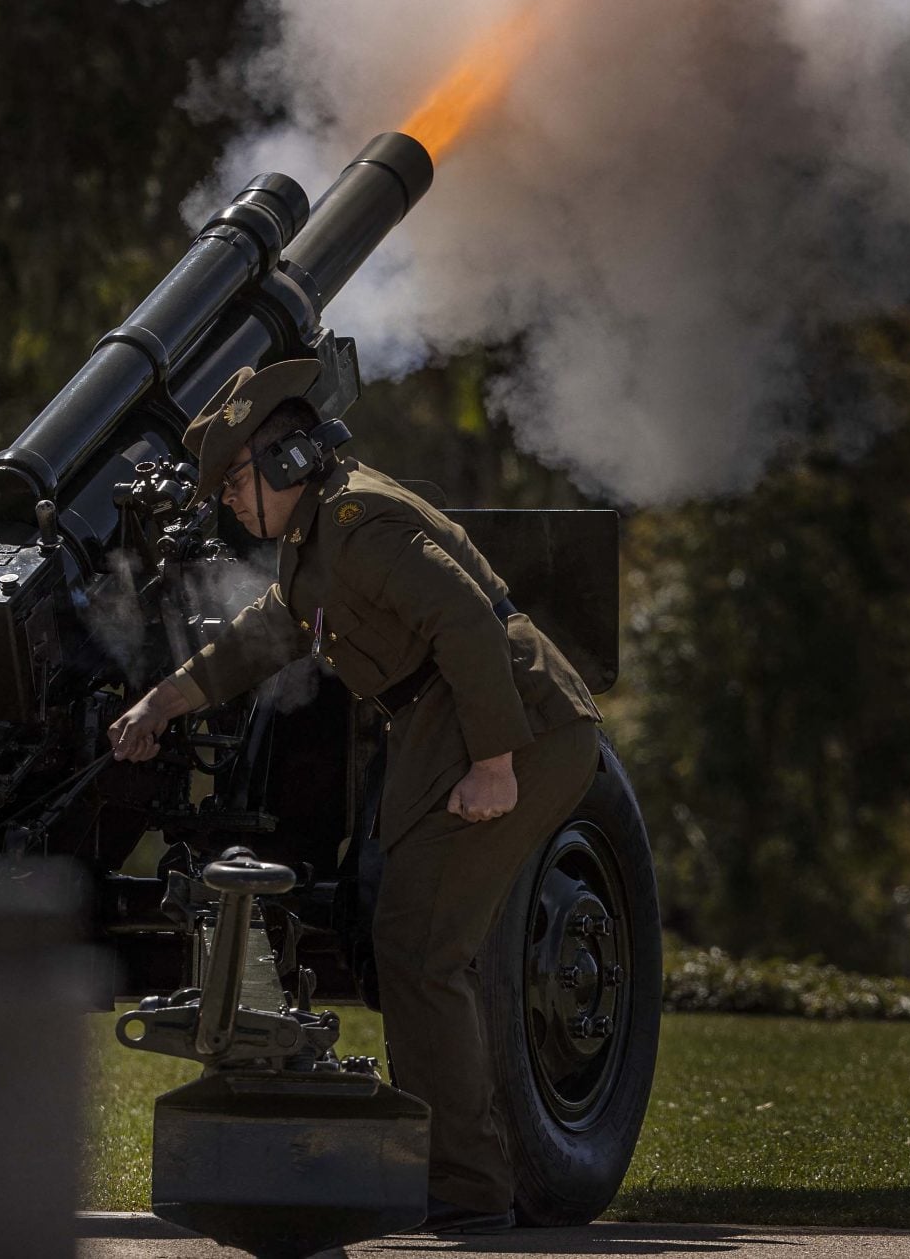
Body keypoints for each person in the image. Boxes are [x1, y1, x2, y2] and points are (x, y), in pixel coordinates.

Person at [106, 359, 602, 1235]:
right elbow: (267, 632)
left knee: (419, 948)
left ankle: (468, 1189)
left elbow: (467, 622)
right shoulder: (316, 547)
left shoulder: (358, 522)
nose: (229, 500)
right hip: (449, 726)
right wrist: (166, 697)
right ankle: (457, 1180)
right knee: (411, 941)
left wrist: (494, 759)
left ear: (292, 461)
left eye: (238, 479)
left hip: (514, 724)